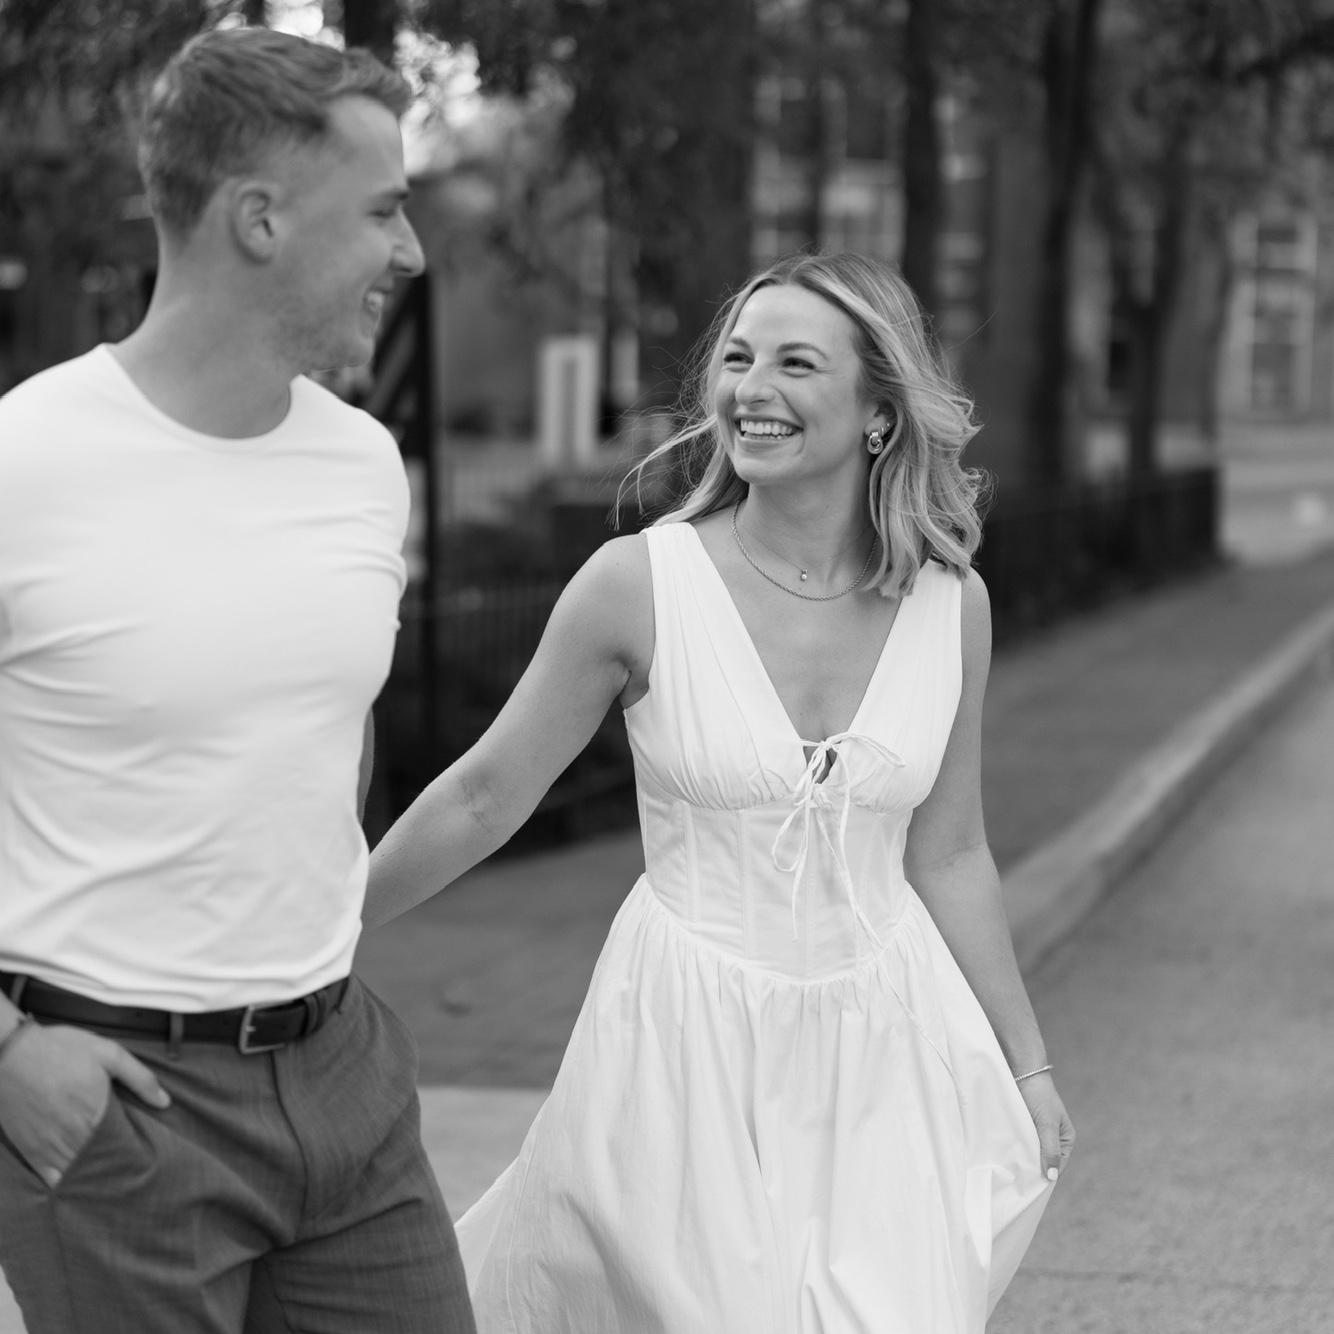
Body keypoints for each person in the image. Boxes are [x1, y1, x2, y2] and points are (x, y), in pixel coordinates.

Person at [366, 251, 1075, 1332]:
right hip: (679, 1045)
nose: (752, 388)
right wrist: (318, 932)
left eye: (796, 363)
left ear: (880, 412)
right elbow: (483, 796)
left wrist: (1026, 1064)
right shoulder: (637, 584)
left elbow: (950, 850)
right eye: (739, 359)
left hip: (886, 1047)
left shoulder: (951, 603)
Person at [0, 26, 475, 1334]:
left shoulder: (362, 465)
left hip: (344, 1076)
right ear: (259, 219)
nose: (409, 252)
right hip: (116, 1109)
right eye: (381, 210)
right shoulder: (23, 463)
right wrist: (9, 1053)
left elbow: (324, 740)